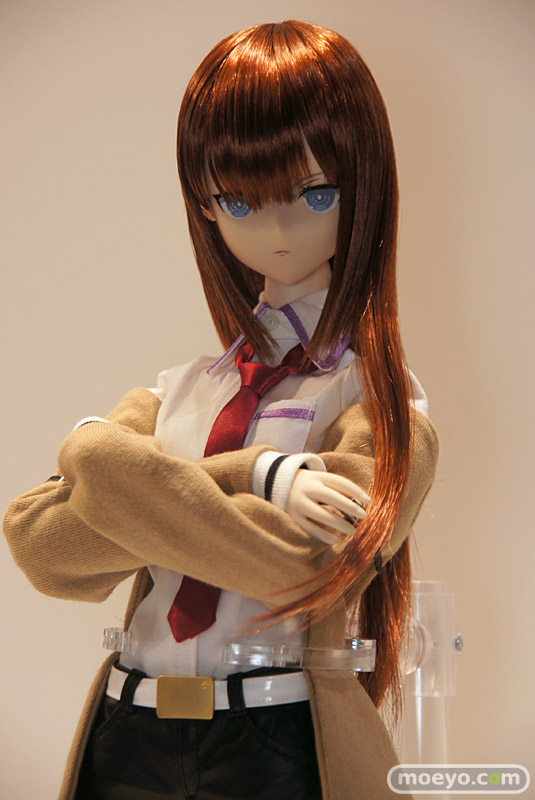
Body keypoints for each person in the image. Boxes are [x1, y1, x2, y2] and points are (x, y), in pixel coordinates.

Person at [3, 19, 439, 800]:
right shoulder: (175, 391)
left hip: (273, 740)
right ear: (204, 206)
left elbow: (300, 568)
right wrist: (259, 476)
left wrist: (108, 468)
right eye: (238, 200)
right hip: (126, 729)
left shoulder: (381, 403)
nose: (276, 229)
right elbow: (42, 548)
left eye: (314, 193)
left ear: (364, 185)